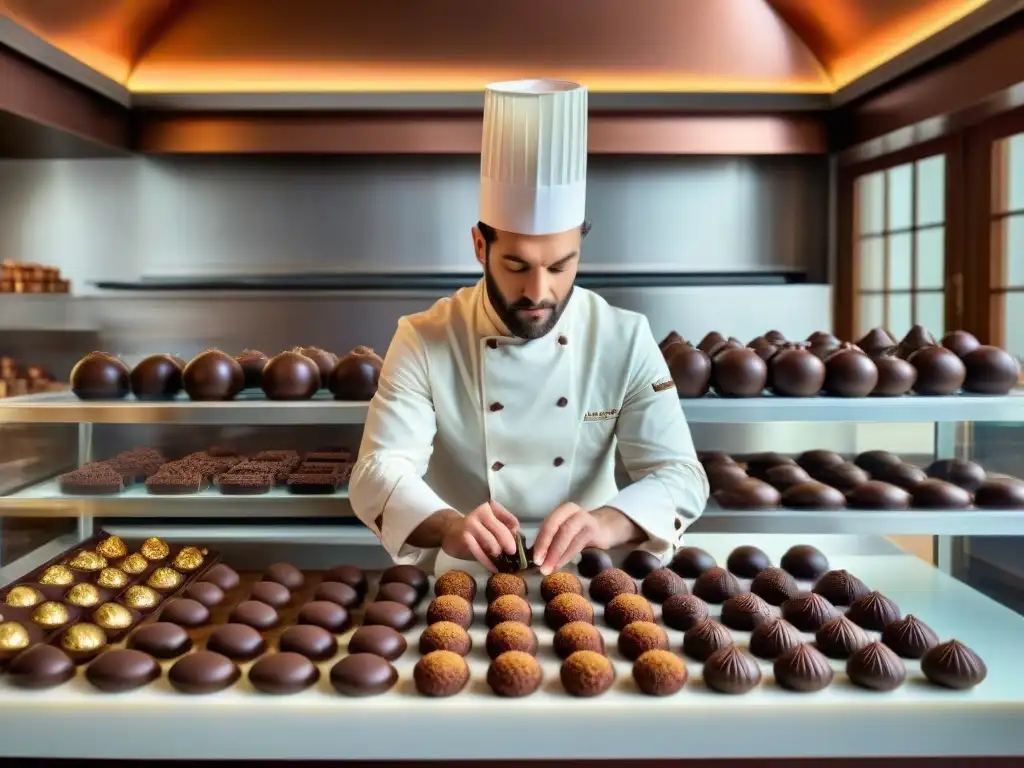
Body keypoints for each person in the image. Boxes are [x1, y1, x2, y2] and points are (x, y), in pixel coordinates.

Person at [349, 79, 708, 575]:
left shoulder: (623, 338)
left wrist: (606, 522)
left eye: (560, 266)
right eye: (517, 266)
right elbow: (376, 472)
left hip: (593, 583)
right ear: (480, 246)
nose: (539, 291)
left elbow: (682, 476)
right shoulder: (424, 337)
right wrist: (449, 525)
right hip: (464, 583)